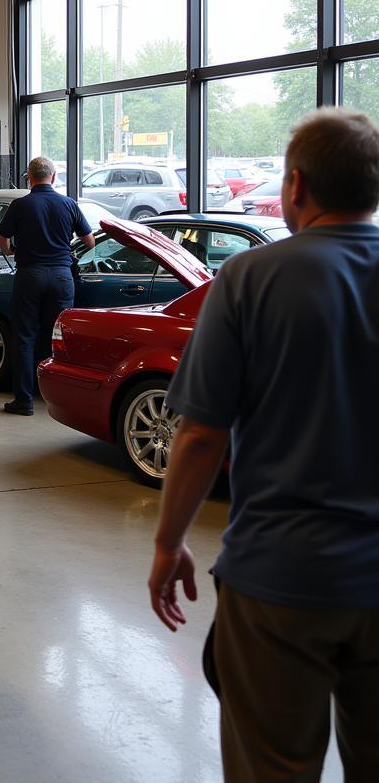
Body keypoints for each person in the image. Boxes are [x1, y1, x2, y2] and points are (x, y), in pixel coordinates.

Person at [148, 109, 379, 783]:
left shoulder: (250, 279)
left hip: (282, 580)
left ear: (297, 186)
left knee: (271, 767)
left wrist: (169, 544)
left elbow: (199, 435)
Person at [0, 156, 95, 415]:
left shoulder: (20, 205)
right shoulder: (69, 204)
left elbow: (2, 239)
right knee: (56, 340)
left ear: (29, 177)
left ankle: (24, 401)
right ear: (53, 176)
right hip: (62, 277)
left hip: (30, 275)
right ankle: (57, 399)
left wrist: (15, 249)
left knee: (24, 337)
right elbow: (91, 241)